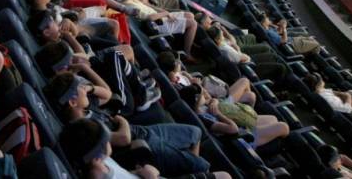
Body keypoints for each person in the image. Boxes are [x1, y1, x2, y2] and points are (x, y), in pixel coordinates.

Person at [45, 71, 225, 178]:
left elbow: (106, 94)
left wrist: (141, 170)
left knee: (195, 135)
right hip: (140, 141)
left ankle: (183, 161)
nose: (83, 88)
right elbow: (123, 139)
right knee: (209, 169)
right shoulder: (84, 132)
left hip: (142, 141)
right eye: (80, 89)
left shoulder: (102, 162)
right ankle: (184, 163)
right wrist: (122, 121)